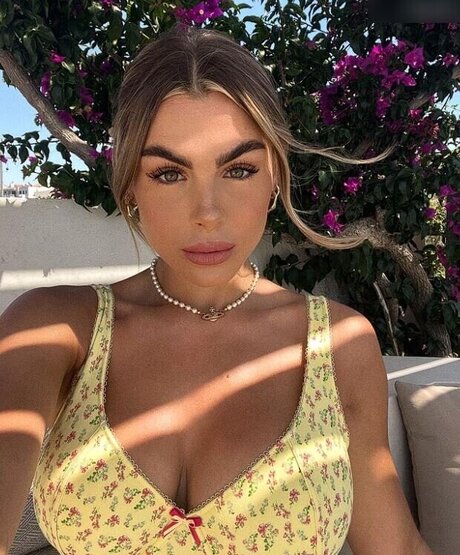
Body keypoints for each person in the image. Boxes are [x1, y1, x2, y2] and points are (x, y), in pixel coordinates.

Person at [0, 24, 433, 555]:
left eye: (239, 169)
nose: (207, 213)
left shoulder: (338, 345)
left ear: (274, 176)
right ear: (131, 185)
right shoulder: (56, 327)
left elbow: (394, 545)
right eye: (168, 174)